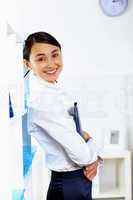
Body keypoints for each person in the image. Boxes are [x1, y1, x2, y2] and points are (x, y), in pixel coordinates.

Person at [23, 32, 102, 200]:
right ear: (28, 64)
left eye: (55, 55)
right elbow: (82, 154)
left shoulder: (54, 91)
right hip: (69, 184)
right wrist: (92, 148)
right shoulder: (43, 101)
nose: (51, 64)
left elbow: (78, 136)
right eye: (41, 58)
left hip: (77, 179)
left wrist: (88, 147)